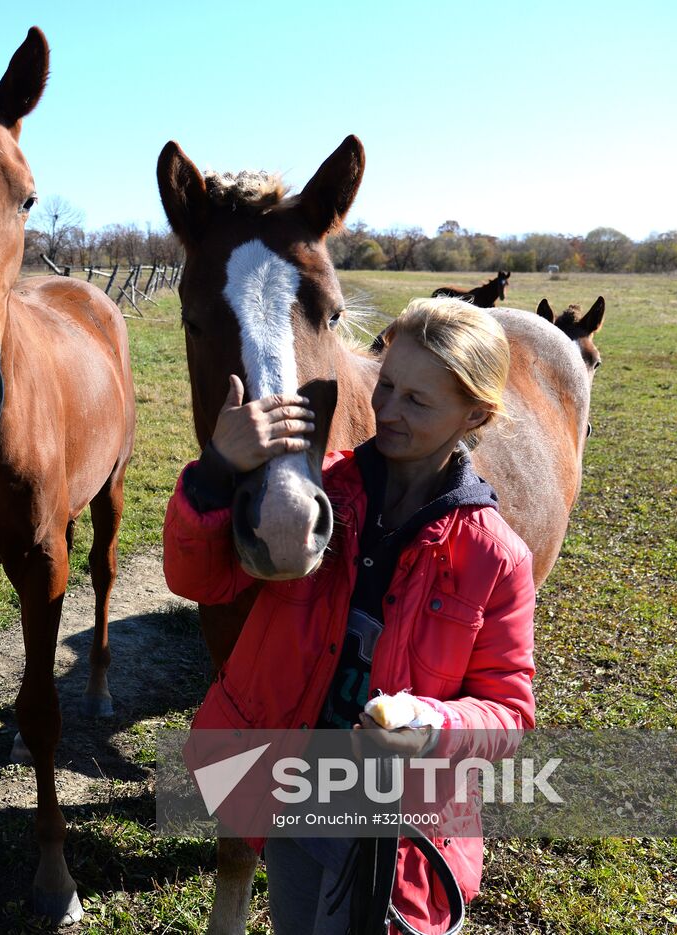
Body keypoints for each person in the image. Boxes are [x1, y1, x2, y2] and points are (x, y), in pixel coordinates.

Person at [164, 298, 537, 934]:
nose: (386, 411)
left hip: (395, 829)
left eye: (417, 402)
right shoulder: (318, 496)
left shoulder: (496, 558)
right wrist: (216, 471)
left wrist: (431, 723)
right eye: (386, 384)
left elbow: (508, 713)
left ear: (474, 414)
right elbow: (200, 578)